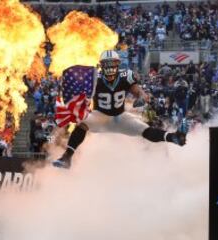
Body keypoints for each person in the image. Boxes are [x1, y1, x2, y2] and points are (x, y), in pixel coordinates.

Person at [53, 50, 187, 168]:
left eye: (113, 64)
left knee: (144, 130)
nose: (110, 68)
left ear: (118, 65)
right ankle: (67, 157)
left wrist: (141, 97)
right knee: (82, 124)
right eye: (107, 64)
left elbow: (139, 92)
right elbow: (83, 96)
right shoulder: (95, 79)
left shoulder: (125, 76)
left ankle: (173, 137)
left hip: (120, 117)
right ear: (102, 65)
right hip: (100, 116)